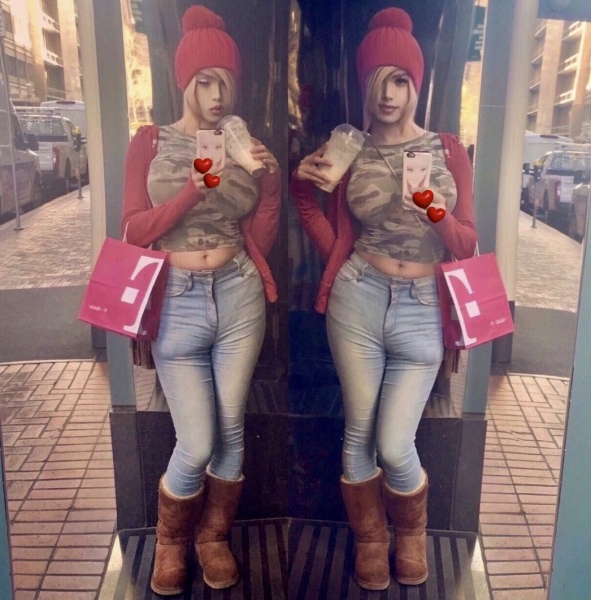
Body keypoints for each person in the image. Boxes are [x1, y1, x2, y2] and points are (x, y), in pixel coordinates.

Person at [290, 7, 477, 591]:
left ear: (416, 83)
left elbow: (467, 244)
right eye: (378, 81)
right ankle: (371, 539)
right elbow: (319, 222)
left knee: (395, 444)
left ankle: (411, 534)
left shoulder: (448, 150)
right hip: (359, 299)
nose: (389, 94)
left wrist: (434, 209)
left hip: (423, 308)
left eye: (400, 80)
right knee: (358, 430)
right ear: (365, 86)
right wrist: (303, 190)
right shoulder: (350, 150)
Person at [121, 5, 280, 595]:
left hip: (238, 292)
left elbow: (260, 237)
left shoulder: (242, 144)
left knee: (232, 426)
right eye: (206, 81)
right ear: (185, 81)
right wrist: (193, 188)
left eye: (225, 84)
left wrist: (269, 184)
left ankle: (213, 537)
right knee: (196, 440)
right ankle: (171, 541)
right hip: (177, 302)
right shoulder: (150, 142)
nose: (217, 96)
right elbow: (133, 230)